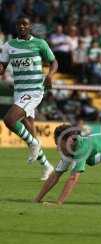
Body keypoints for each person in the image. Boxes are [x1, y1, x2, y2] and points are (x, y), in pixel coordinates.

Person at [0, 15, 58, 181]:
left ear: (30, 26)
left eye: (25, 24)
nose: (22, 27)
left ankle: (33, 144)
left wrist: (50, 75)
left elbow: (54, 62)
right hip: (19, 91)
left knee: (9, 120)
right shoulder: (8, 46)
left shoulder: (40, 43)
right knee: (29, 127)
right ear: (16, 27)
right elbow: (2, 66)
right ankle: (47, 166)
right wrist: (1, 67)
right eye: (19, 24)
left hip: (34, 90)